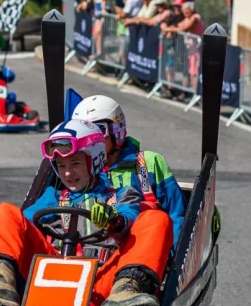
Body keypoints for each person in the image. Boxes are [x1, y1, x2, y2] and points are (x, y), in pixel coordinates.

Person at [0, 119, 173, 306]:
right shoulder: (52, 197)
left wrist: (113, 221)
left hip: (102, 287)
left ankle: (127, 290)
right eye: (62, 165)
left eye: (75, 163)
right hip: (48, 280)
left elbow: (130, 216)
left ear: (95, 161)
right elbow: (15, 230)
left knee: (156, 218)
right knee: (4, 211)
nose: (68, 172)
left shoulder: (122, 195)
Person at [73, 95, 186, 243]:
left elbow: (177, 214)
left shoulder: (149, 162)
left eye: (99, 131)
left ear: (116, 130)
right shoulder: (76, 169)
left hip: (144, 250)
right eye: (83, 134)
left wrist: (173, 258)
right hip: (92, 252)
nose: (90, 141)